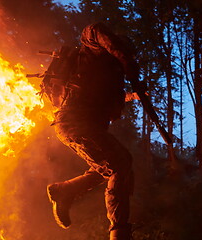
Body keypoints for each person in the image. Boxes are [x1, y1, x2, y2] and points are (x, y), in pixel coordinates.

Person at [46, 22, 141, 240]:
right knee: (120, 164)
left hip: (80, 125)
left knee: (115, 165)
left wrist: (134, 95)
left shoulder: (110, 78)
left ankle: (65, 190)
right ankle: (119, 232)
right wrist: (125, 59)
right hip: (74, 121)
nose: (127, 55)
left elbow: (108, 97)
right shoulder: (93, 51)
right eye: (125, 50)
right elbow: (94, 29)